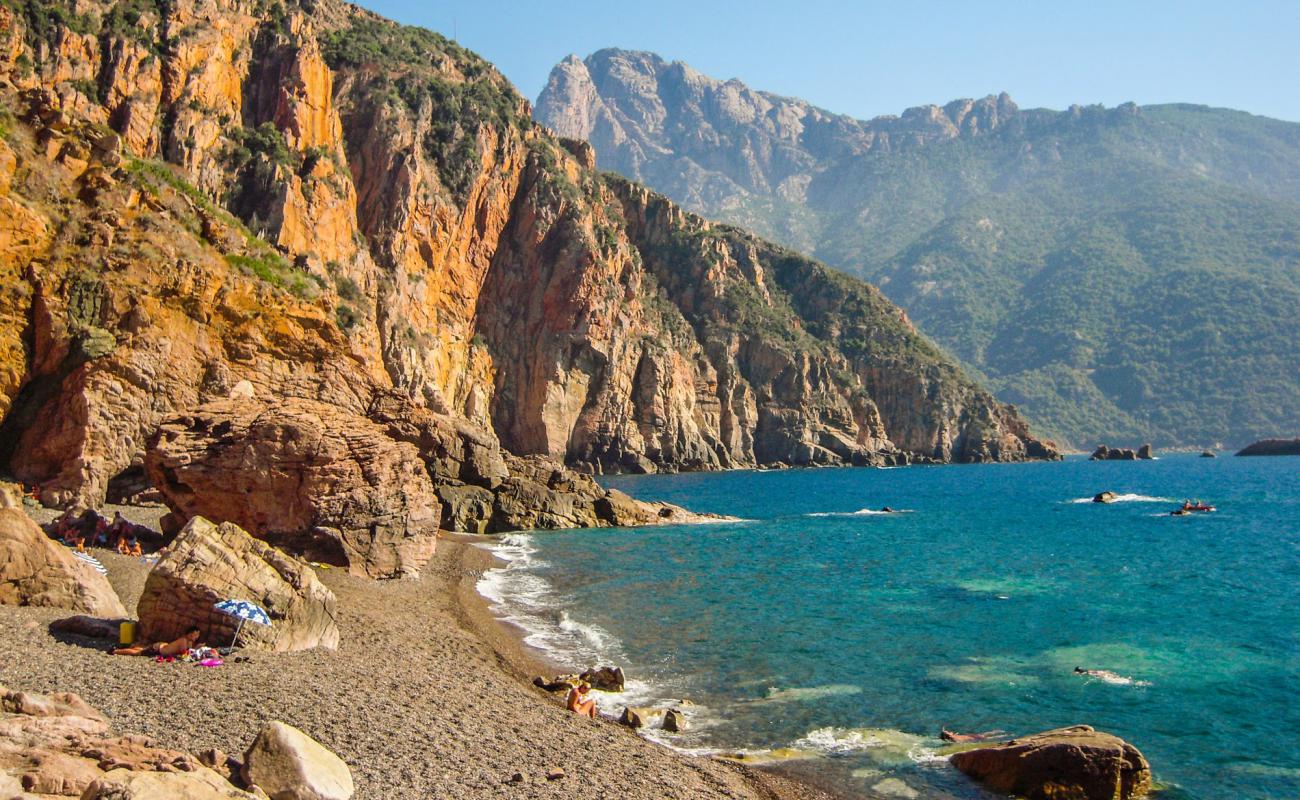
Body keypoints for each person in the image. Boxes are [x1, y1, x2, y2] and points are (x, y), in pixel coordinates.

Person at [113, 626, 202, 657]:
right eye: (194, 635)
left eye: (197, 635)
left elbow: (188, 651)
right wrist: (195, 649)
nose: (195, 637)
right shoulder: (184, 640)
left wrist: (196, 648)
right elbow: (184, 653)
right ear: (189, 634)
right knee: (138, 653)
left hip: (161, 646)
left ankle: (128, 647)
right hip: (159, 649)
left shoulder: (189, 642)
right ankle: (115, 651)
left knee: (143, 649)